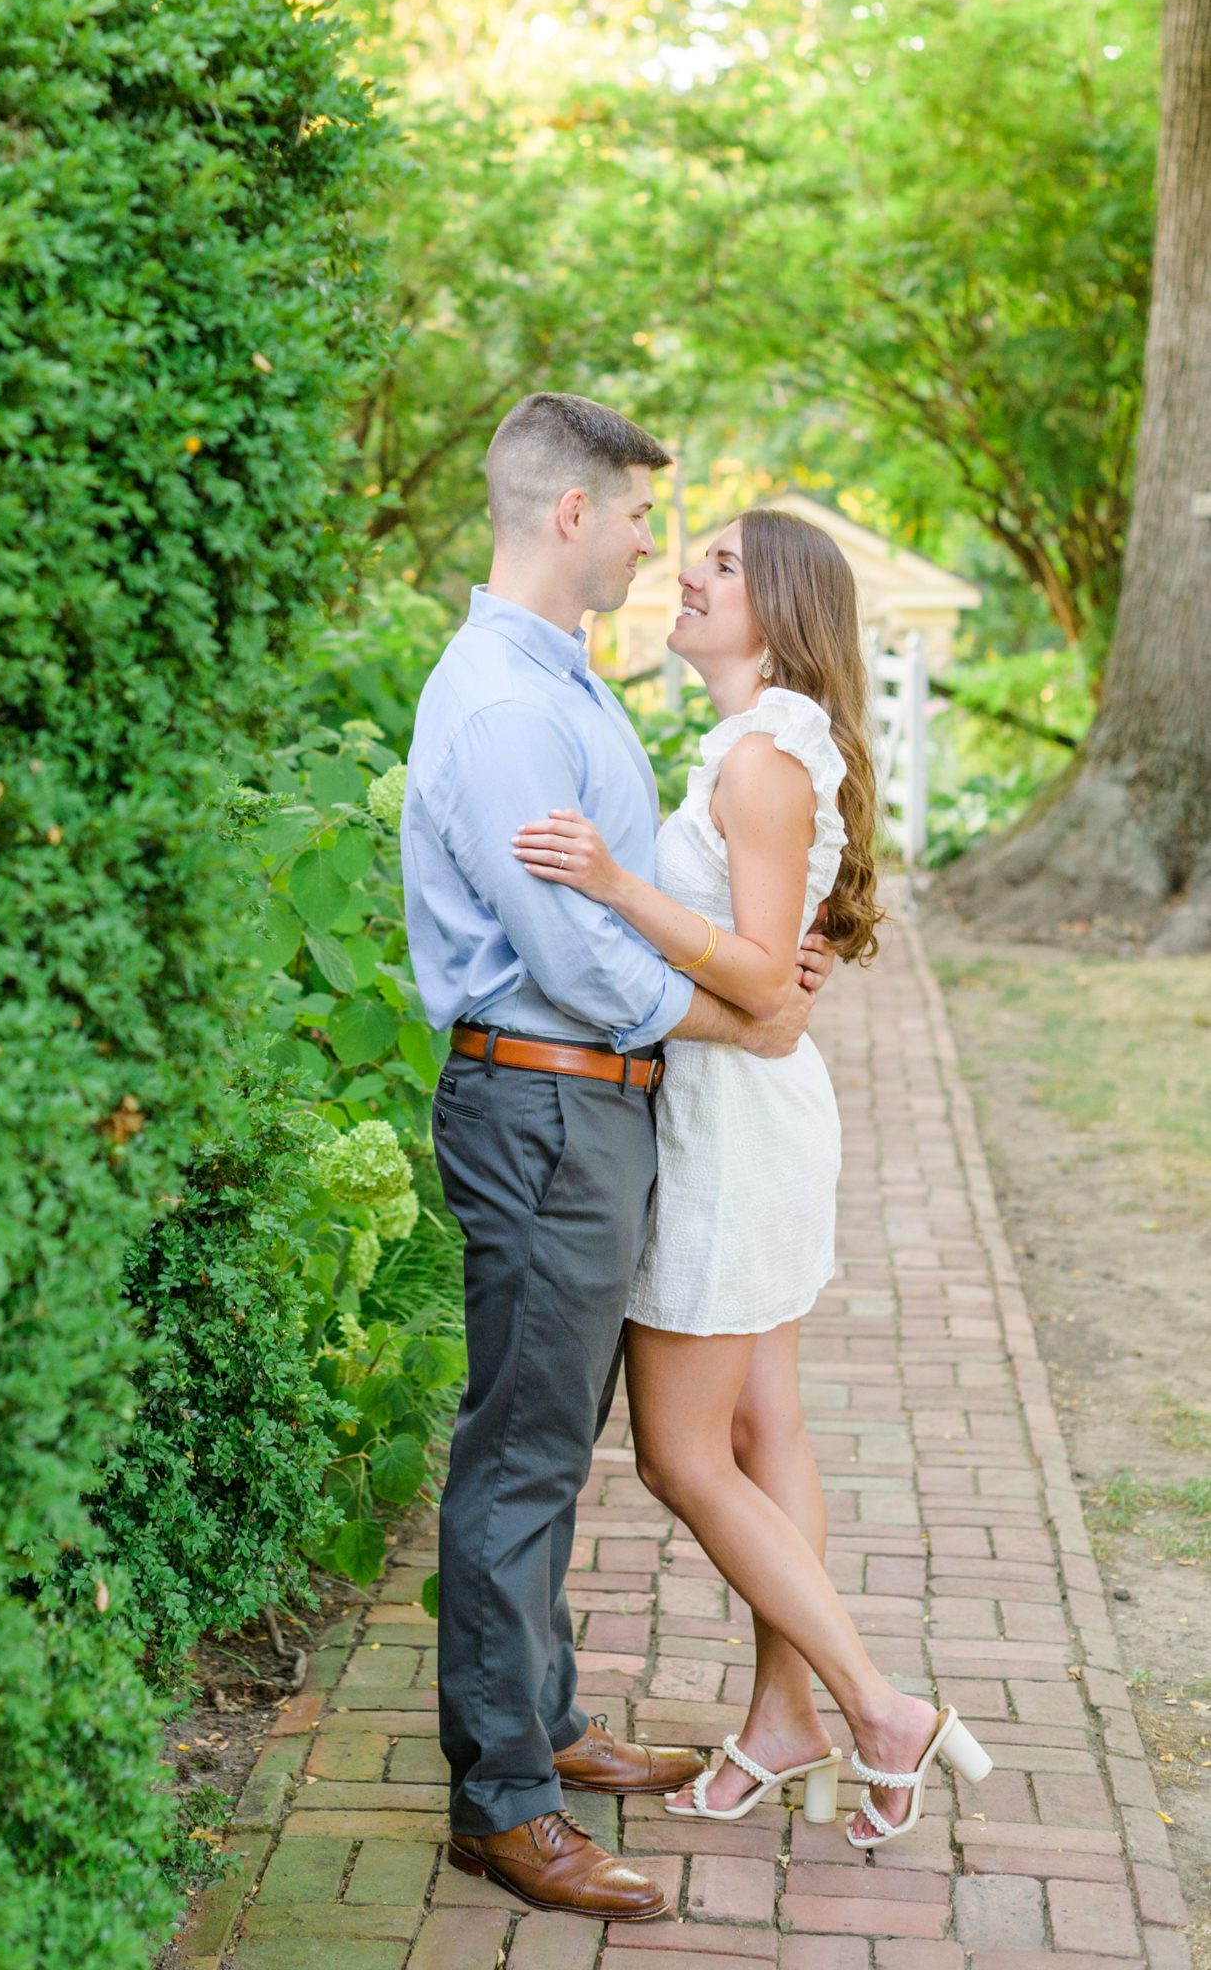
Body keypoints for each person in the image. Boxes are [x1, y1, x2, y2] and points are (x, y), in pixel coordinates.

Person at [402, 396, 833, 1921]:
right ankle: (502, 1803)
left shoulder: (559, 682)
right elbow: (568, 953)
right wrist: (733, 1015)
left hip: (588, 1106)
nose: (658, 542)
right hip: (545, 1100)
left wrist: (749, 977)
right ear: (571, 514)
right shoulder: (510, 706)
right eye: (644, 515)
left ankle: (549, 1726)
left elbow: (639, 902)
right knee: (518, 1451)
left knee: (549, 1439)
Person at [513, 505, 992, 1849]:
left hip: (734, 1127)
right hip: (746, 1106)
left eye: (721, 565)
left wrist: (612, 882)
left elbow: (754, 965)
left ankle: (876, 1708)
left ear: (777, 613)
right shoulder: (761, 746)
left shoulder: (766, 757)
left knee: (678, 1450)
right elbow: (777, 962)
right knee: (760, 1427)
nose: (690, 573)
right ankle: (789, 1723)